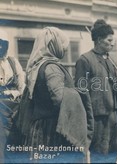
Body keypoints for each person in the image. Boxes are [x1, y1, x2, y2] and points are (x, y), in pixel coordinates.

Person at [14, 27, 93, 163]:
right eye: (63, 45)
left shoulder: (37, 65)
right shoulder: (52, 68)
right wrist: (78, 93)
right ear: (54, 45)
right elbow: (59, 99)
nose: (66, 49)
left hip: (39, 127)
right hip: (51, 131)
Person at [75, 19, 117, 163]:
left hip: (115, 116)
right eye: (109, 40)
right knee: (99, 155)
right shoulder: (85, 60)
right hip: (98, 118)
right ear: (100, 40)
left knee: (113, 154)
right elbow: (81, 92)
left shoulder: (110, 60)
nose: (112, 43)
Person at [0, 29, 25, 163]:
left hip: (14, 111)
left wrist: (15, 93)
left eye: (3, 43)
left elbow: (22, 86)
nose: (0, 46)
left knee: (15, 145)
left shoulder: (13, 62)